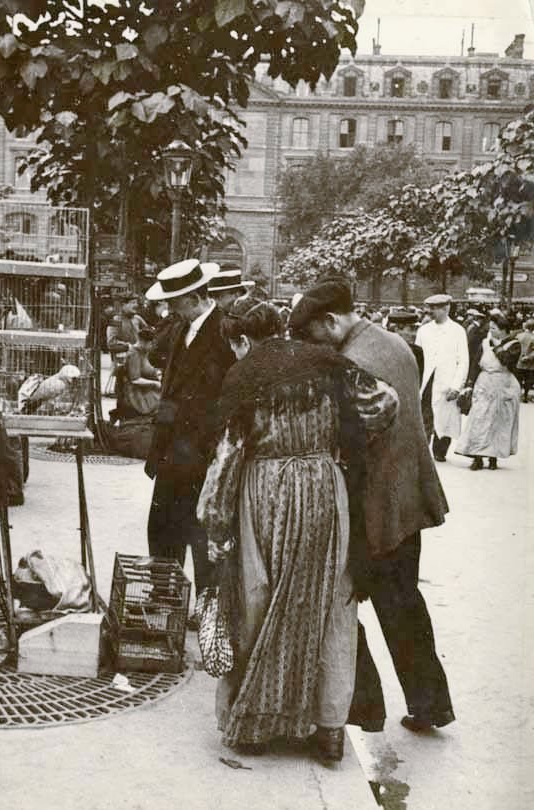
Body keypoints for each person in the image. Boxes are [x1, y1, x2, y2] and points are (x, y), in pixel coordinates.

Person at [197, 301, 392, 765]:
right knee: (329, 604)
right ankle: (328, 729)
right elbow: (385, 401)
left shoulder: (244, 376)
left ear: (242, 340)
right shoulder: (326, 363)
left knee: (256, 601)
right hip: (325, 487)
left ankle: (258, 727)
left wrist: (215, 522)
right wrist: (340, 446)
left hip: (264, 492)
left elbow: (226, 460)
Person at [289, 278, 454, 734]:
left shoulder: (351, 362)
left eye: (312, 336)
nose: (310, 346)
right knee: (404, 605)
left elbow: (350, 444)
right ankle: (430, 703)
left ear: (330, 321)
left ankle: (366, 708)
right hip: (408, 499)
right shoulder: (394, 342)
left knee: (340, 601)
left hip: (376, 504)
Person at [144, 260, 235, 617]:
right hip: (171, 450)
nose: (170, 308)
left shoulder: (224, 332)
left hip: (200, 453)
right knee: (162, 525)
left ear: (195, 298)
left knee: (200, 532)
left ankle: (207, 607)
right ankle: (164, 596)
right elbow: (160, 362)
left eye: (176, 301)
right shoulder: (181, 327)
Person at [455, 312, 522, 470]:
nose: (491, 331)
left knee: (499, 422)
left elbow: (507, 360)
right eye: (490, 327)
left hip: (504, 385)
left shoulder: (514, 344)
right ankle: (477, 457)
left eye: (494, 328)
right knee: (479, 419)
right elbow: (476, 363)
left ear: (503, 329)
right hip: (484, 384)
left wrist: (496, 346)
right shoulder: (484, 343)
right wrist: (470, 383)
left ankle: (493, 457)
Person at [415, 294, 469, 462]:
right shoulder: (423, 330)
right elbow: (417, 357)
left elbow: (463, 361)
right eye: (429, 308)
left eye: (434, 308)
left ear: (446, 308)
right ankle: (422, 453)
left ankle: (440, 451)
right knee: (425, 416)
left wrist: (456, 386)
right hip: (426, 381)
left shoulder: (458, 331)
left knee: (445, 417)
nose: (430, 311)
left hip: (447, 382)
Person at [387, 309, 424, 381]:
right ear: (397, 330)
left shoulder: (418, 352)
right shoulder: (385, 351)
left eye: (415, 329)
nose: (414, 334)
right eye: (411, 329)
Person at [515, 318, 534, 403]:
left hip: (519, 362)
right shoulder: (533, 337)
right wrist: (529, 357)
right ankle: (525, 396)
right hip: (530, 364)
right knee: (528, 381)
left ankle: (518, 395)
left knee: (518, 380)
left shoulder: (519, 336)